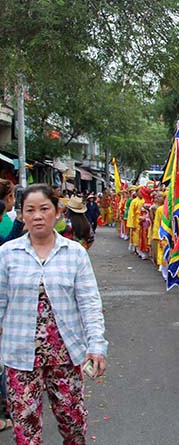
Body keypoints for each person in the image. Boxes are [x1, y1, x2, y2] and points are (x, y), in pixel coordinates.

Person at [0, 183, 108, 444]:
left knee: (73, 423)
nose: (38, 216)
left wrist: (96, 345)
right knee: (25, 431)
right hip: (19, 355)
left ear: (57, 212)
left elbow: (89, 303)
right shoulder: (7, 254)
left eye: (44, 209)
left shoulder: (75, 254)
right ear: (22, 215)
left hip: (65, 355)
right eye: (30, 210)